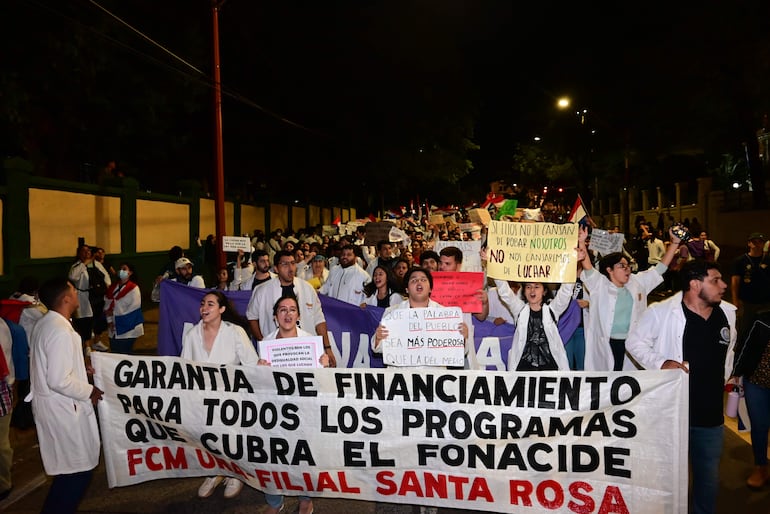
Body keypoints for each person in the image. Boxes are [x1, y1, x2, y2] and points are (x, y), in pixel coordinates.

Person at [625, 260, 736, 514]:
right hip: (671, 414)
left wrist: (728, 377)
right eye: (715, 280)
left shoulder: (728, 313)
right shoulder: (661, 312)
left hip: (710, 417)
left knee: (708, 480)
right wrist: (661, 362)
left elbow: (729, 351)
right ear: (695, 285)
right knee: (666, 478)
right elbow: (635, 342)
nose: (724, 285)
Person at [371, 267, 467, 514]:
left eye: (423, 279)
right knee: (404, 443)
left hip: (433, 390)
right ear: (407, 288)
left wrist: (463, 338)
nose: (419, 283)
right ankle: (405, 492)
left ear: (430, 287)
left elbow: (460, 353)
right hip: (401, 389)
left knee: (430, 446)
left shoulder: (445, 315)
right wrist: (378, 338)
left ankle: (430, 500)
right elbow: (378, 350)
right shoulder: (392, 314)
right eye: (414, 280)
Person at [30, 278, 103, 513]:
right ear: (67, 298)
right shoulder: (60, 331)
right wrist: (90, 390)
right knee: (77, 472)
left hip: (55, 407)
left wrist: (81, 366)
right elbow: (58, 379)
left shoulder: (47, 324)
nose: (76, 293)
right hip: (64, 410)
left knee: (69, 471)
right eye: (73, 290)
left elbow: (52, 364)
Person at [181, 291, 258, 499]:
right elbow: (185, 369)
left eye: (211, 304)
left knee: (231, 439)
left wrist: (264, 367)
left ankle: (235, 475)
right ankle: (213, 472)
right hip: (202, 399)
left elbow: (251, 364)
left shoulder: (235, 333)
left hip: (231, 399)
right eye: (203, 304)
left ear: (222, 309)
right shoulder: (191, 336)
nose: (204, 308)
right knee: (207, 439)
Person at [577, 225, 682, 371]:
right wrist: (581, 241)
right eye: (622, 266)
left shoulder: (638, 282)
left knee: (628, 384)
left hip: (632, 345)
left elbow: (661, 268)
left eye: (628, 266)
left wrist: (675, 243)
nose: (627, 269)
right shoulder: (599, 285)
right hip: (607, 344)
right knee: (608, 381)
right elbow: (587, 265)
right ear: (609, 270)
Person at [260, 295, 328, 514]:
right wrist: (258, 370)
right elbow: (260, 386)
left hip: (304, 410)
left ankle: (305, 498)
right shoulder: (266, 344)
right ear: (275, 316)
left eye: (292, 310)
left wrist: (324, 366)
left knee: (303, 456)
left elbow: (321, 385)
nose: (287, 314)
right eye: (282, 310)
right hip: (276, 410)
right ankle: (274, 501)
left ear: (298, 315)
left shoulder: (311, 342)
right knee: (272, 455)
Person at [246, 250, 336, 367]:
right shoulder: (261, 290)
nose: (291, 268)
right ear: (276, 269)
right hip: (276, 352)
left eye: (293, 263)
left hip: (305, 351)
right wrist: (263, 341)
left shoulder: (307, 288)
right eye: (285, 264)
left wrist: (327, 348)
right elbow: (252, 317)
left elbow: (319, 320)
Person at [732, 309, 770, 489]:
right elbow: (744, 346)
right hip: (756, 381)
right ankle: (761, 466)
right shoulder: (761, 319)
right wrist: (736, 373)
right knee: (759, 426)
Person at [730, 232, 770, 344]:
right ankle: (741, 351)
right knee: (745, 328)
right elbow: (735, 282)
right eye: (754, 242)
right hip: (747, 301)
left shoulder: (768, 260)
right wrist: (735, 300)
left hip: (766, 301)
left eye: (760, 242)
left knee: (765, 328)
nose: (757, 245)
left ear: (763, 244)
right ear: (749, 244)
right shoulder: (740, 261)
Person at [103, 263, 144, 354]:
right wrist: (109, 321)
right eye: (120, 268)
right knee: (114, 352)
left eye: (124, 269)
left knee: (125, 353)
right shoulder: (113, 287)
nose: (121, 271)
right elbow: (107, 304)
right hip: (113, 327)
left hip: (128, 327)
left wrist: (113, 312)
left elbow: (134, 308)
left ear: (130, 273)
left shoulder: (134, 289)